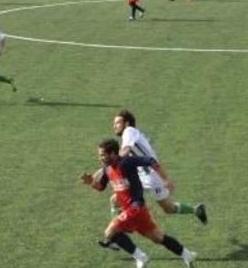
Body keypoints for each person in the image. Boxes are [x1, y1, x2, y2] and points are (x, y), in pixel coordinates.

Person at [80, 138, 198, 268]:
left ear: (113, 153)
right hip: (135, 211)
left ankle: (141, 257)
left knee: (110, 232)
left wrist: (166, 179)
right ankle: (187, 254)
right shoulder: (107, 169)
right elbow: (101, 187)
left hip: (135, 207)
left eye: (103, 155)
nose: (100, 158)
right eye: (100, 155)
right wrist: (91, 182)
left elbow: (151, 161)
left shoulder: (126, 162)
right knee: (157, 237)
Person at [112, 110, 207, 224]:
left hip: (152, 177)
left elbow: (126, 150)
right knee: (116, 199)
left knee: (168, 208)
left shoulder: (129, 131)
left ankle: (196, 210)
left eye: (117, 123)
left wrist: (112, 164)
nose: (114, 126)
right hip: (141, 176)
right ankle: (118, 228)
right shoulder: (130, 135)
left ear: (127, 123)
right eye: (114, 123)